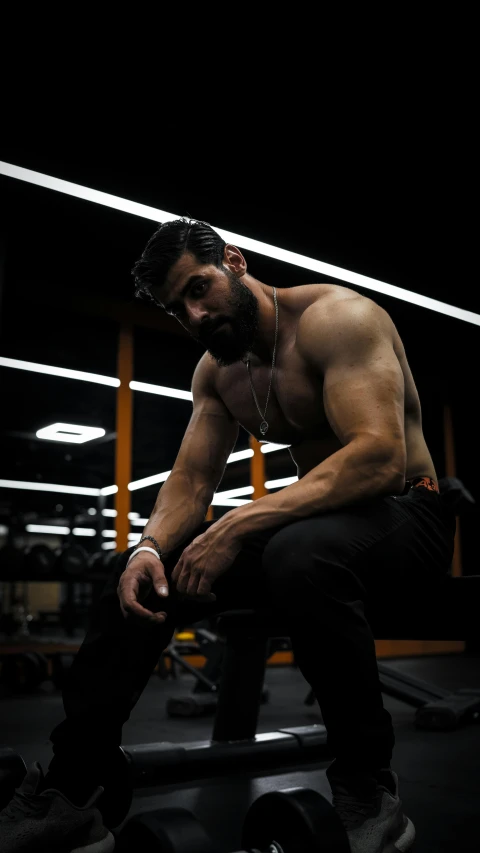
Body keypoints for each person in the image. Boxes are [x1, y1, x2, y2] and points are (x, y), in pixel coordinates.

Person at [1, 218, 455, 853]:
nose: (194, 313)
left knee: (299, 553)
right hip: (321, 525)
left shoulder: (338, 320)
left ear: (235, 262)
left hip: (410, 513)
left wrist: (240, 522)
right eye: (177, 307)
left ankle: (367, 786)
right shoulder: (217, 373)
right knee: (142, 581)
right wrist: (149, 549)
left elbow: (379, 458)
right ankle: (75, 788)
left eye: (199, 287)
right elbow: (190, 479)